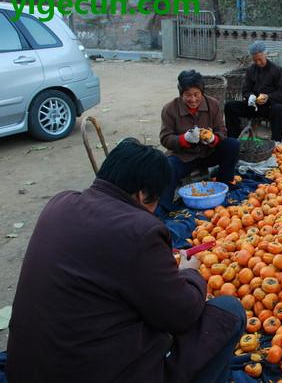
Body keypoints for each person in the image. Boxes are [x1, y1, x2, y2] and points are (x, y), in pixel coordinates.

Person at [6, 138, 245, 383]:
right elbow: (181, 316)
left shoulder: (59, 203)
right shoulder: (141, 230)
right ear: (142, 195)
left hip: (26, 368)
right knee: (230, 311)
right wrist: (189, 273)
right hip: (94, 371)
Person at [159, 69, 240, 213]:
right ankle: (163, 208)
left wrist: (212, 138)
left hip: (208, 152)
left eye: (196, 94)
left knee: (232, 145)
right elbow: (165, 138)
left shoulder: (212, 105)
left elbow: (222, 131)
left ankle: (223, 184)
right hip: (183, 157)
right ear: (181, 94)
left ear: (202, 92)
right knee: (166, 167)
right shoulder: (170, 109)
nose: (193, 99)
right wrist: (184, 139)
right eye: (188, 95)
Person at [224, 41, 282, 142]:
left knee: (279, 109)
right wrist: (251, 97)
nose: (258, 63)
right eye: (255, 60)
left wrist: (268, 97)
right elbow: (246, 90)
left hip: (270, 106)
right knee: (229, 106)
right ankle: (233, 140)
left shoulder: (276, 70)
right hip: (254, 106)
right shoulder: (250, 70)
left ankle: (276, 142)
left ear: (265, 54)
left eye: (260, 59)